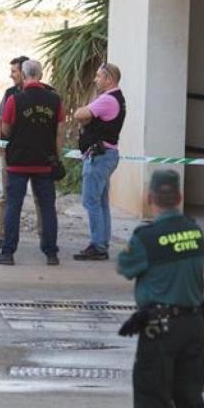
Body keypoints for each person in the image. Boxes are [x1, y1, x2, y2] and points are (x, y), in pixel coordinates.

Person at [116, 169, 204, 408]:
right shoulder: (195, 232)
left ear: (149, 198)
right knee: (192, 402)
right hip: (193, 325)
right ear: (180, 197)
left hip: (160, 329)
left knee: (153, 401)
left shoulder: (146, 238)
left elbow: (125, 266)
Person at [0, 59, 62, 267]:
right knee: (48, 208)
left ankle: (8, 252)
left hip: (18, 162)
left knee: (14, 206)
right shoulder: (55, 100)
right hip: (45, 163)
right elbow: (59, 134)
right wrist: (57, 159)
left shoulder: (15, 99)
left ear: (24, 74)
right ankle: (51, 253)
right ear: (40, 75)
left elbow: (6, 129)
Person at [73, 63, 126, 261]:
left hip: (99, 157)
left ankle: (97, 245)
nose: (95, 80)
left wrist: (85, 111)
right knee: (101, 202)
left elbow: (80, 115)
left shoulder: (108, 100)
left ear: (109, 79)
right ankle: (101, 244)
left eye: (98, 76)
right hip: (107, 155)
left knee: (90, 201)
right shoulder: (116, 99)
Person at [0, 56, 42, 250]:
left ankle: (45, 237)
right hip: (11, 154)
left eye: (14, 72)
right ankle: (2, 236)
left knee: (39, 197)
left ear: (24, 72)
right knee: (7, 196)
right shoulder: (10, 93)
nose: (11, 75)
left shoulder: (45, 93)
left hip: (37, 153)